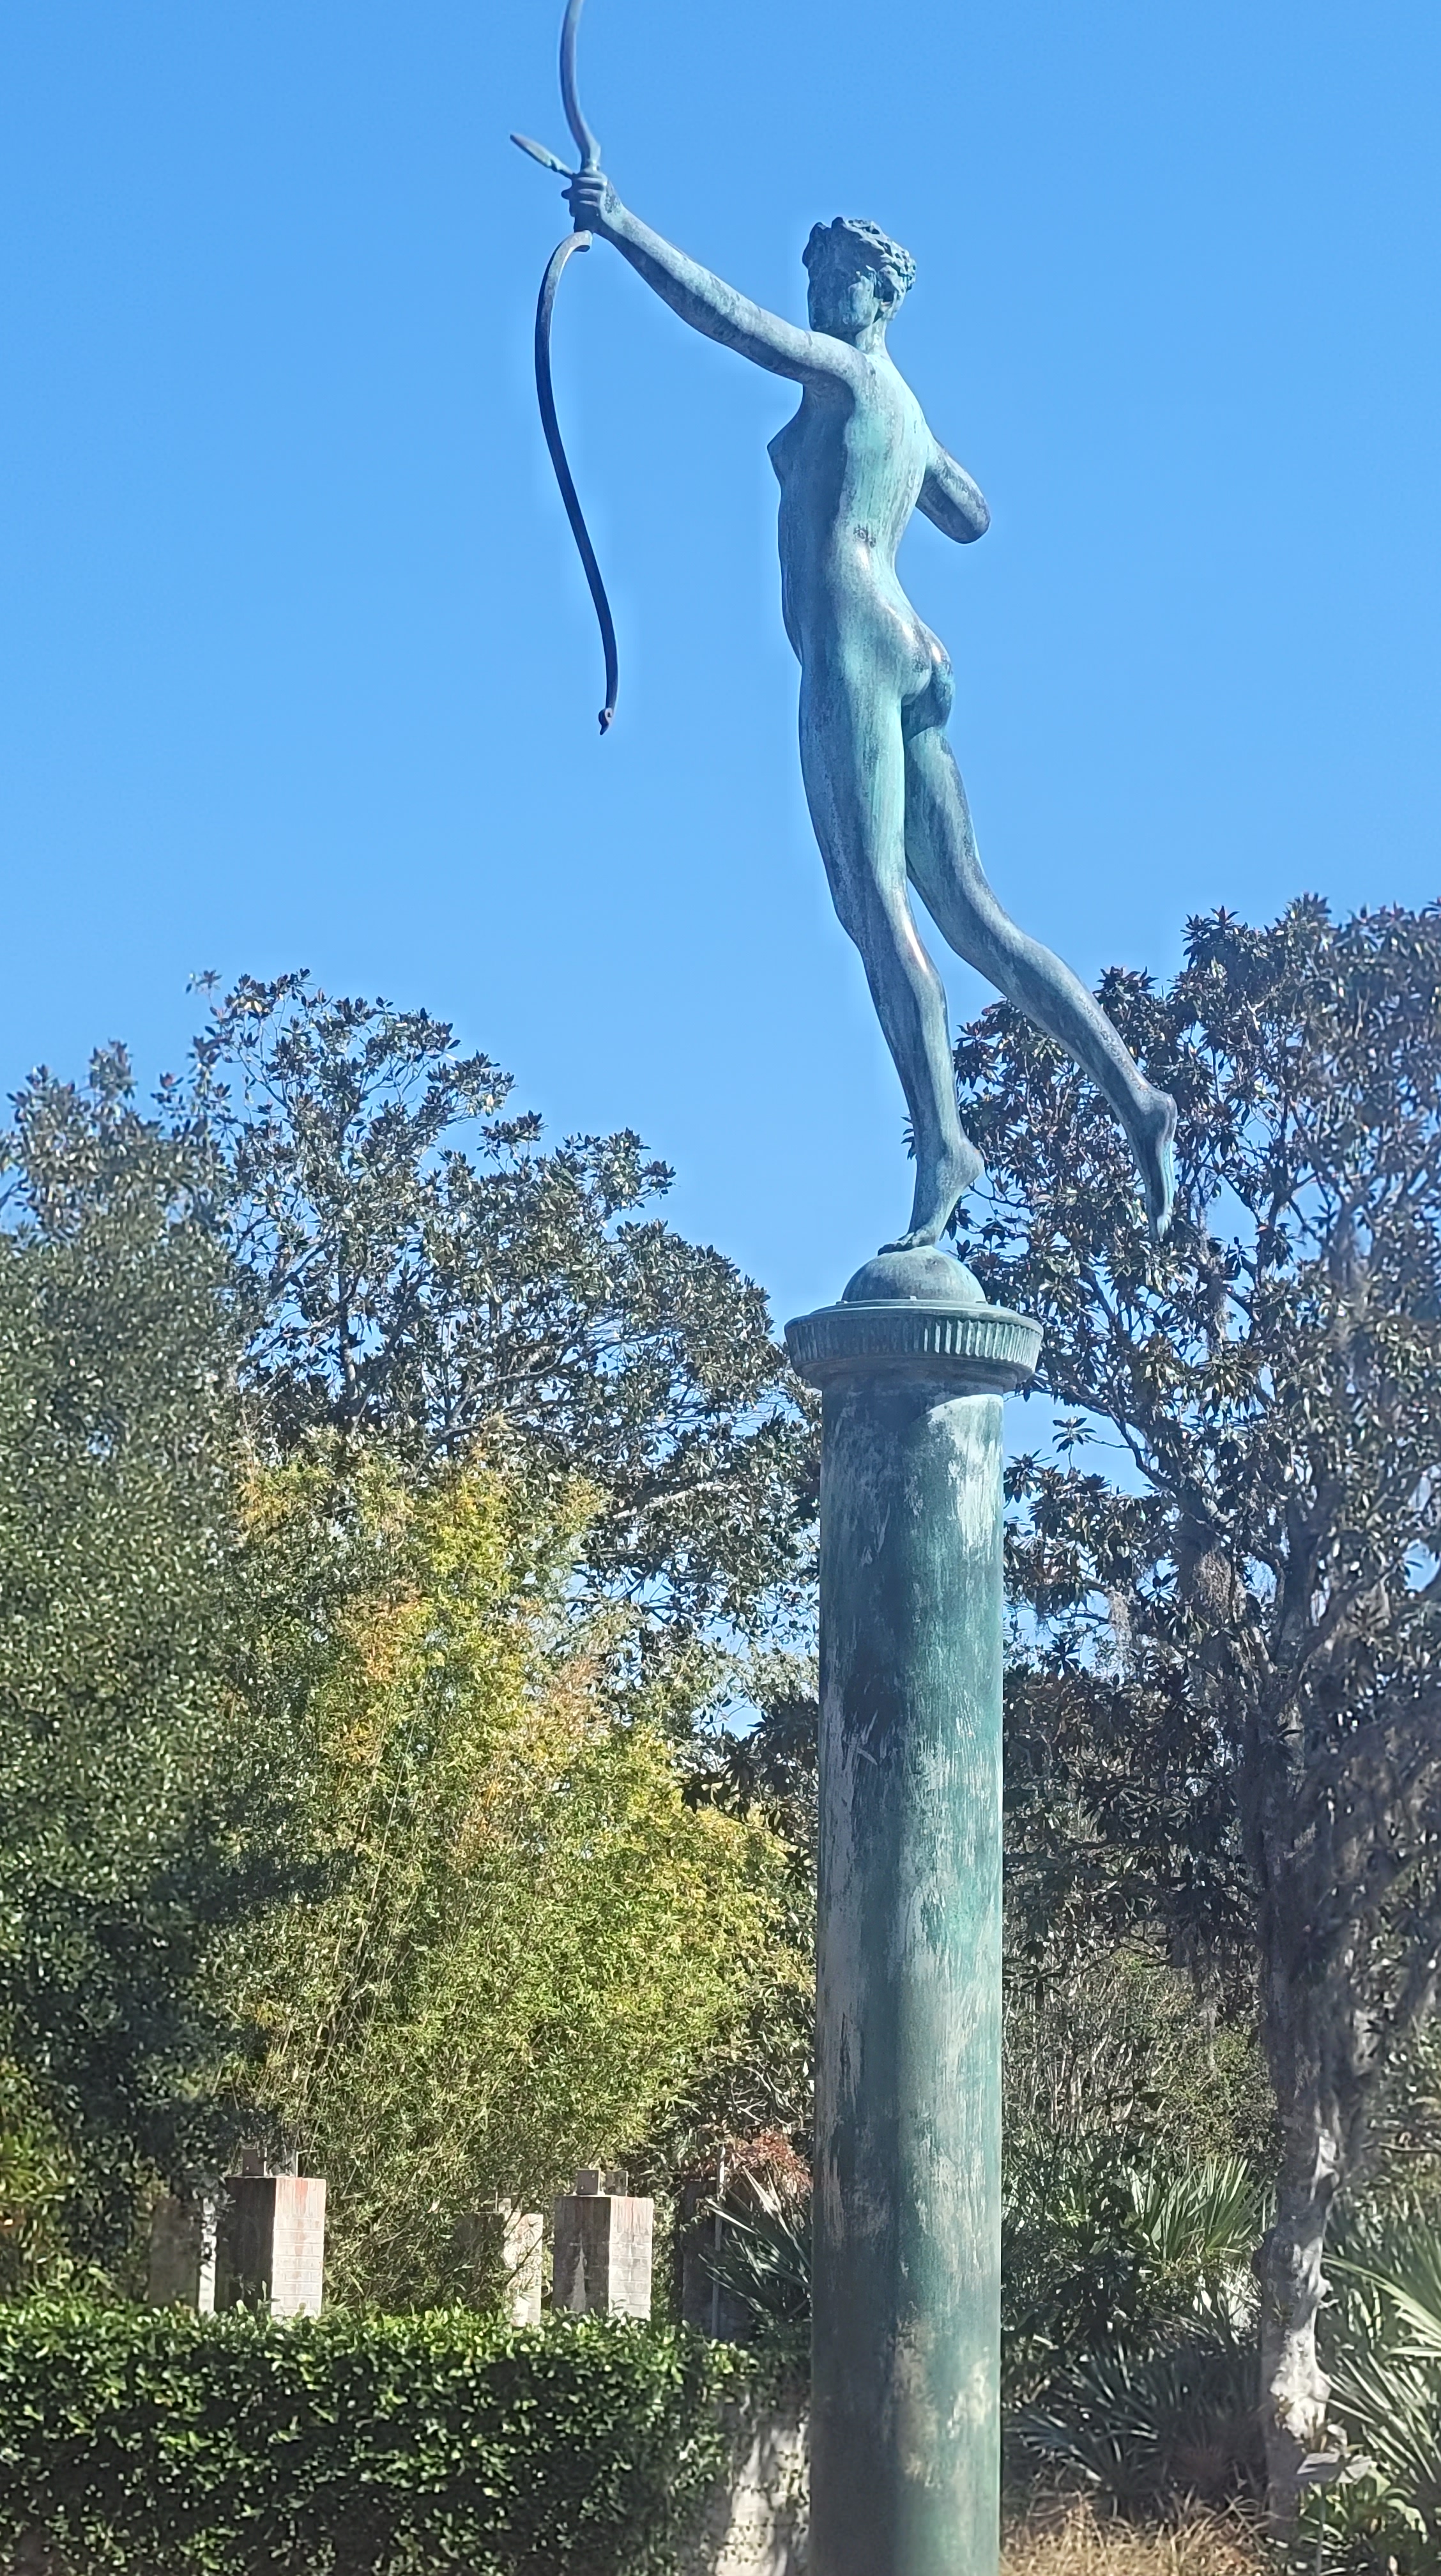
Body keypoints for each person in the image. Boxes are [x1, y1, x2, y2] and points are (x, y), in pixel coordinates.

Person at [565, 173, 1177, 1248]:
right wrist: (909, 454)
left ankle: (944, 1143)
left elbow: (728, 320)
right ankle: (1135, 1094)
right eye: (814, 276)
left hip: (853, 643)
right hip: (914, 649)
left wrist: (617, 227)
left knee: (874, 904)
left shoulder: (846, 372)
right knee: (973, 914)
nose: (819, 293)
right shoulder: (899, 404)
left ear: (882, 297)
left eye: (841, 278)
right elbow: (970, 514)